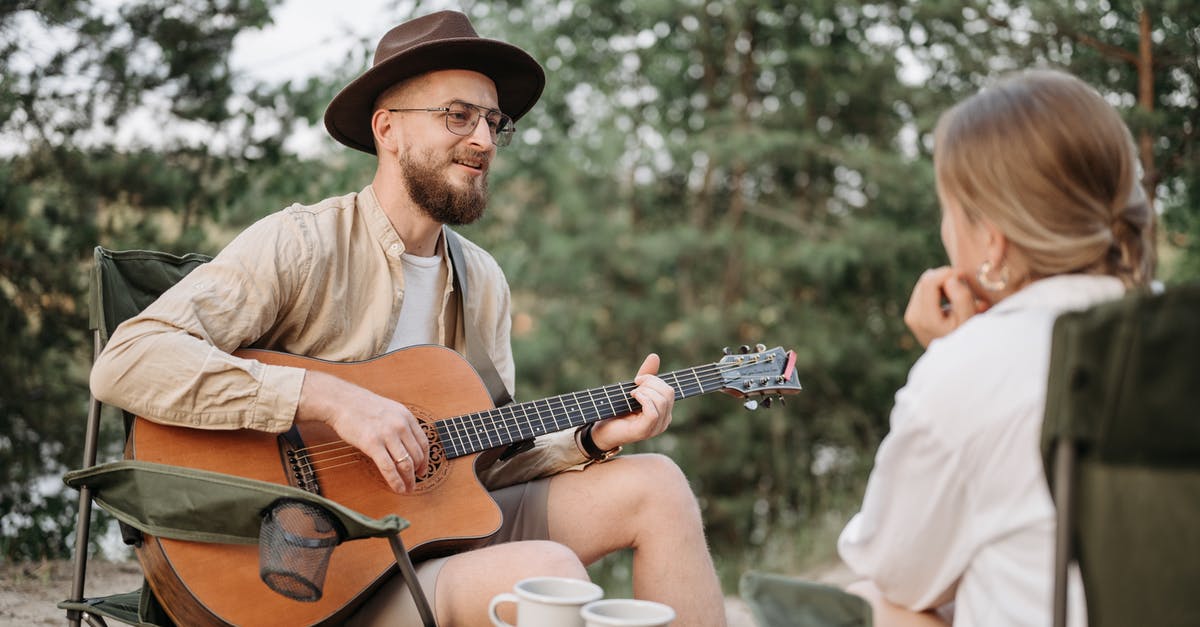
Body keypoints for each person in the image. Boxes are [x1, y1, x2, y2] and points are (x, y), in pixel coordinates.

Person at [90, 10, 726, 627]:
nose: (482, 139)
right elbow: (127, 361)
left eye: (492, 121)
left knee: (659, 485)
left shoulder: (481, 280)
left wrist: (590, 440)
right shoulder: (302, 242)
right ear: (387, 129)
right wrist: (329, 399)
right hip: (310, 571)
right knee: (546, 568)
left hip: (428, 541)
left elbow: (483, 462)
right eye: (457, 115)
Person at [836, 68, 1156, 627]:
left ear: (991, 238)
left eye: (949, 209)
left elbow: (894, 568)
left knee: (875, 600)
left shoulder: (966, 372)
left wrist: (949, 359)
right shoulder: (1175, 332)